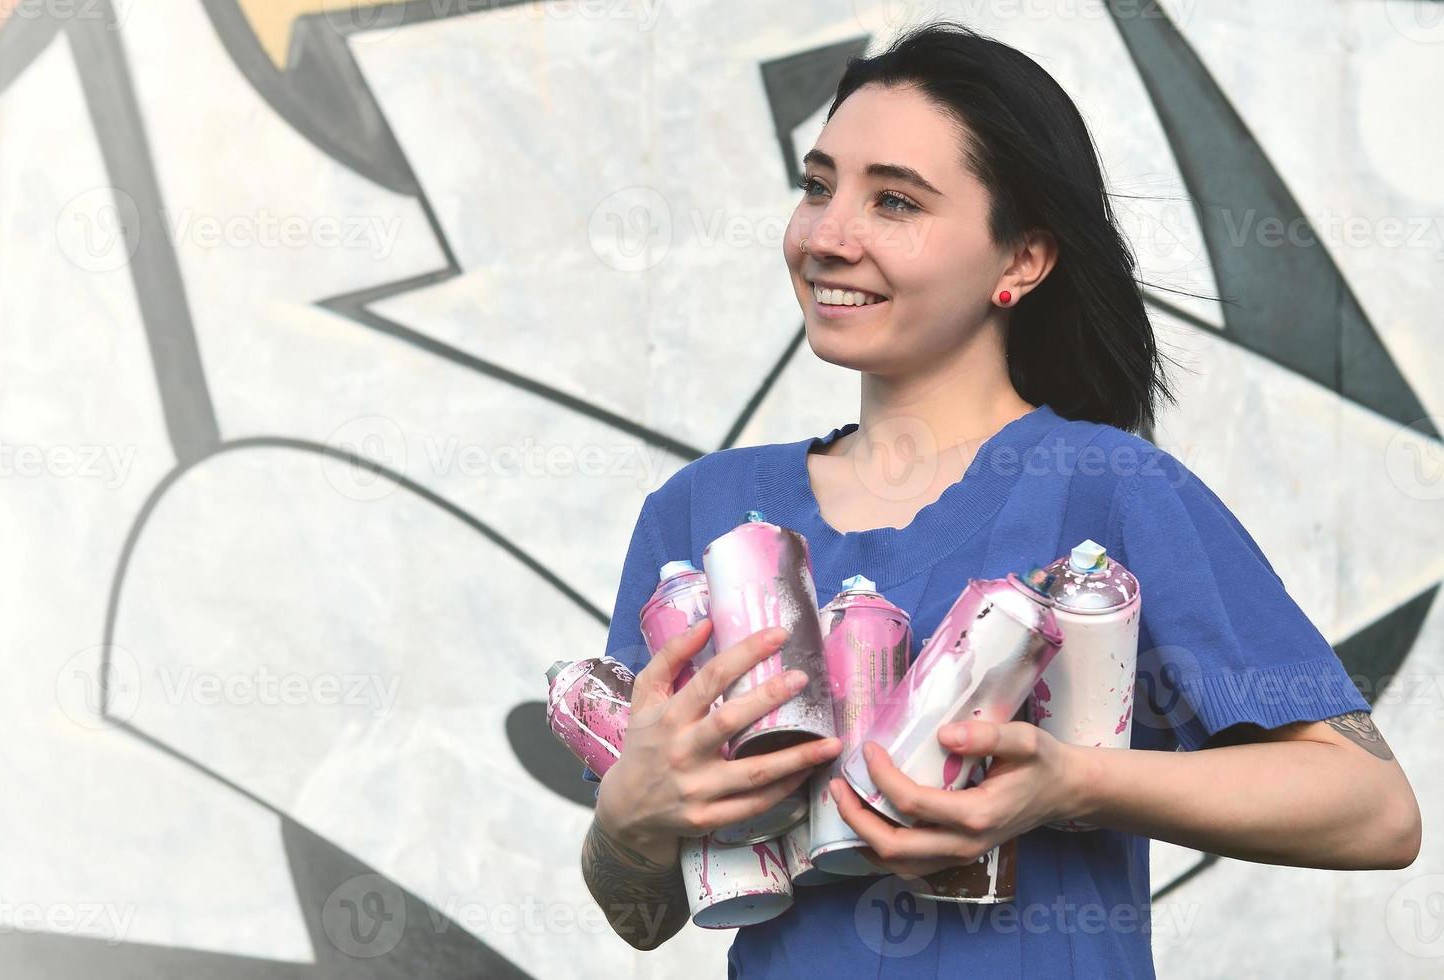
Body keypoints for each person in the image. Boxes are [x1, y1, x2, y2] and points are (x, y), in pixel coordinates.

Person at [577, 21, 1421, 978]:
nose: (826, 235)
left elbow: (1374, 810)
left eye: (894, 200)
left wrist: (1072, 783)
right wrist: (628, 819)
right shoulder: (701, 514)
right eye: (818, 185)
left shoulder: (1110, 491)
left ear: (1021, 260)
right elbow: (642, 915)